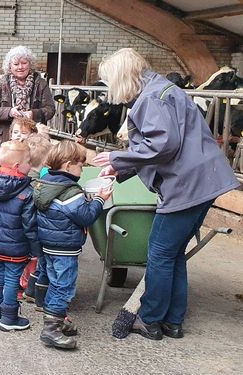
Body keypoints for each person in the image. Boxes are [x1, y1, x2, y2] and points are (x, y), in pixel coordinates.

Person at [91, 48, 239, 340]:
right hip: (204, 181)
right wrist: (121, 172)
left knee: (158, 253)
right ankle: (172, 321)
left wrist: (117, 160)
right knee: (173, 254)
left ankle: (149, 319)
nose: (110, 89)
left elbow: (162, 146)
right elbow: (161, 148)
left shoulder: (151, 99)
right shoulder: (162, 89)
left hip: (187, 184)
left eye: (110, 82)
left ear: (122, 77)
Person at [33, 140, 112, 349]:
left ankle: (58, 320)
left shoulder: (47, 183)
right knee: (63, 286)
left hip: (48, 243)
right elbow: (85, 217)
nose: (82, 169)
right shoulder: (70, 191)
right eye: (81, 165)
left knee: (54, 282)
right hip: (64, 247)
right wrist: (99, 200)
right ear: (68, 166)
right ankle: (51, 329)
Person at [0, 140, 39, 331]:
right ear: (17, 166)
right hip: (16, 246)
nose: (31, 165)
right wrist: (36, 250)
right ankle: (9, 317)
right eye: (28, 161)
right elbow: (29, 226)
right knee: (13, 279)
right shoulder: (26, 193)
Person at [0, 46, 55, 162]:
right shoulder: (1, 84)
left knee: (30, 168)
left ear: (30, 64)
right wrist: (9, 112)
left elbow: (50, 109)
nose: (20, 67)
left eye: (24, 63)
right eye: (16, 64)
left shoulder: (41, 83)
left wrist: (33, 114)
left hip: (33, 139)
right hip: (4, 138)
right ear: (9, 66)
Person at [20, 134, 53, 305]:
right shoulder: (41, 183)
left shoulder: (20, 179)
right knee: (37, 260)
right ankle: (32, 292)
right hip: (34, 229)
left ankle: (27, 290)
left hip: (20, 230)